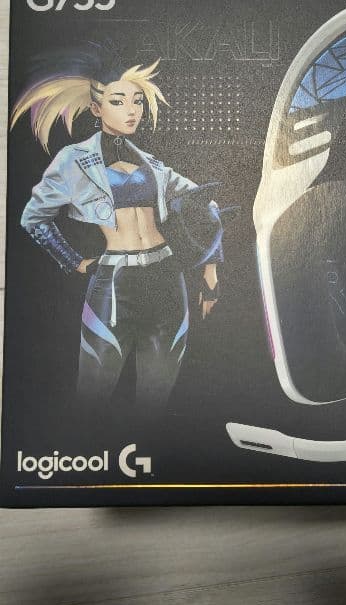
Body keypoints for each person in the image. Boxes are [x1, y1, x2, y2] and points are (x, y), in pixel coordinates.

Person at [10, 55, 224, 412]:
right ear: (96, 109)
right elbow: (34, 218)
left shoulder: (154, 165)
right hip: (114, 283)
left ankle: (148, 446)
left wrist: (211, 271)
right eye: (118, 101)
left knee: (157, 397)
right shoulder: (73, 160)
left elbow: (207, 204)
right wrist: (74, 262)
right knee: (92, 394)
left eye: (137, 101)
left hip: (166, 279)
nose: (132, 111)